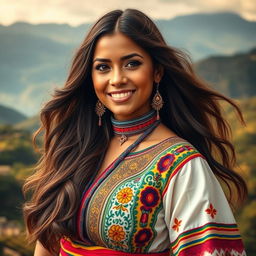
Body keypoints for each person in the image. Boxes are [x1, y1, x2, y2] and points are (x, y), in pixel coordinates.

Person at [23, 8, 248, 256]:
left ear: (157, 71)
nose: (117, 78)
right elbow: (48, 239)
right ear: (90, 77)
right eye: (103, 67)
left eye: (132, 63)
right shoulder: (77, 146)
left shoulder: (181, 165)